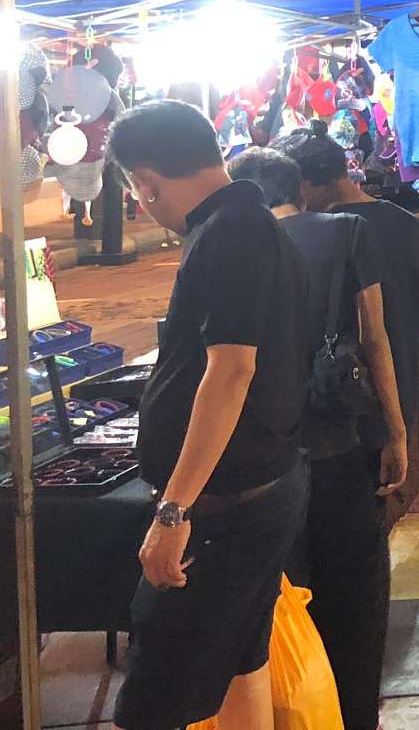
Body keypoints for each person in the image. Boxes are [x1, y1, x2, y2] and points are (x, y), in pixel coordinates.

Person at [108, 101, 310, 730]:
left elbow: (231, 371)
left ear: (144, 182)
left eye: (136, 190)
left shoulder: (232, 232)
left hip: (223, 509)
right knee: (241, 661)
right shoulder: (246, 222)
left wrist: (175, 511)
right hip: (255, 491)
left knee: (151, 702)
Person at [226, 148, 405, 730]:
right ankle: (354, 715)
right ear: (299, 190)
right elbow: (374, 339)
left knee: (280, 603)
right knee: (353, 591)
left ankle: (297, 712)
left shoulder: (223, 248)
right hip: (337, 446)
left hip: (260, 464)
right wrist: (398, 433)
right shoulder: (346, 232)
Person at [277, 125, 419, 526]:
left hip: (343, 405)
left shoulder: (322, 235)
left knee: (345, 535)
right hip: (398, 390)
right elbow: (413, 311)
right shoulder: (409, 226)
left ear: (305, 183)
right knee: (373, 526)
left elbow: (369, 335)